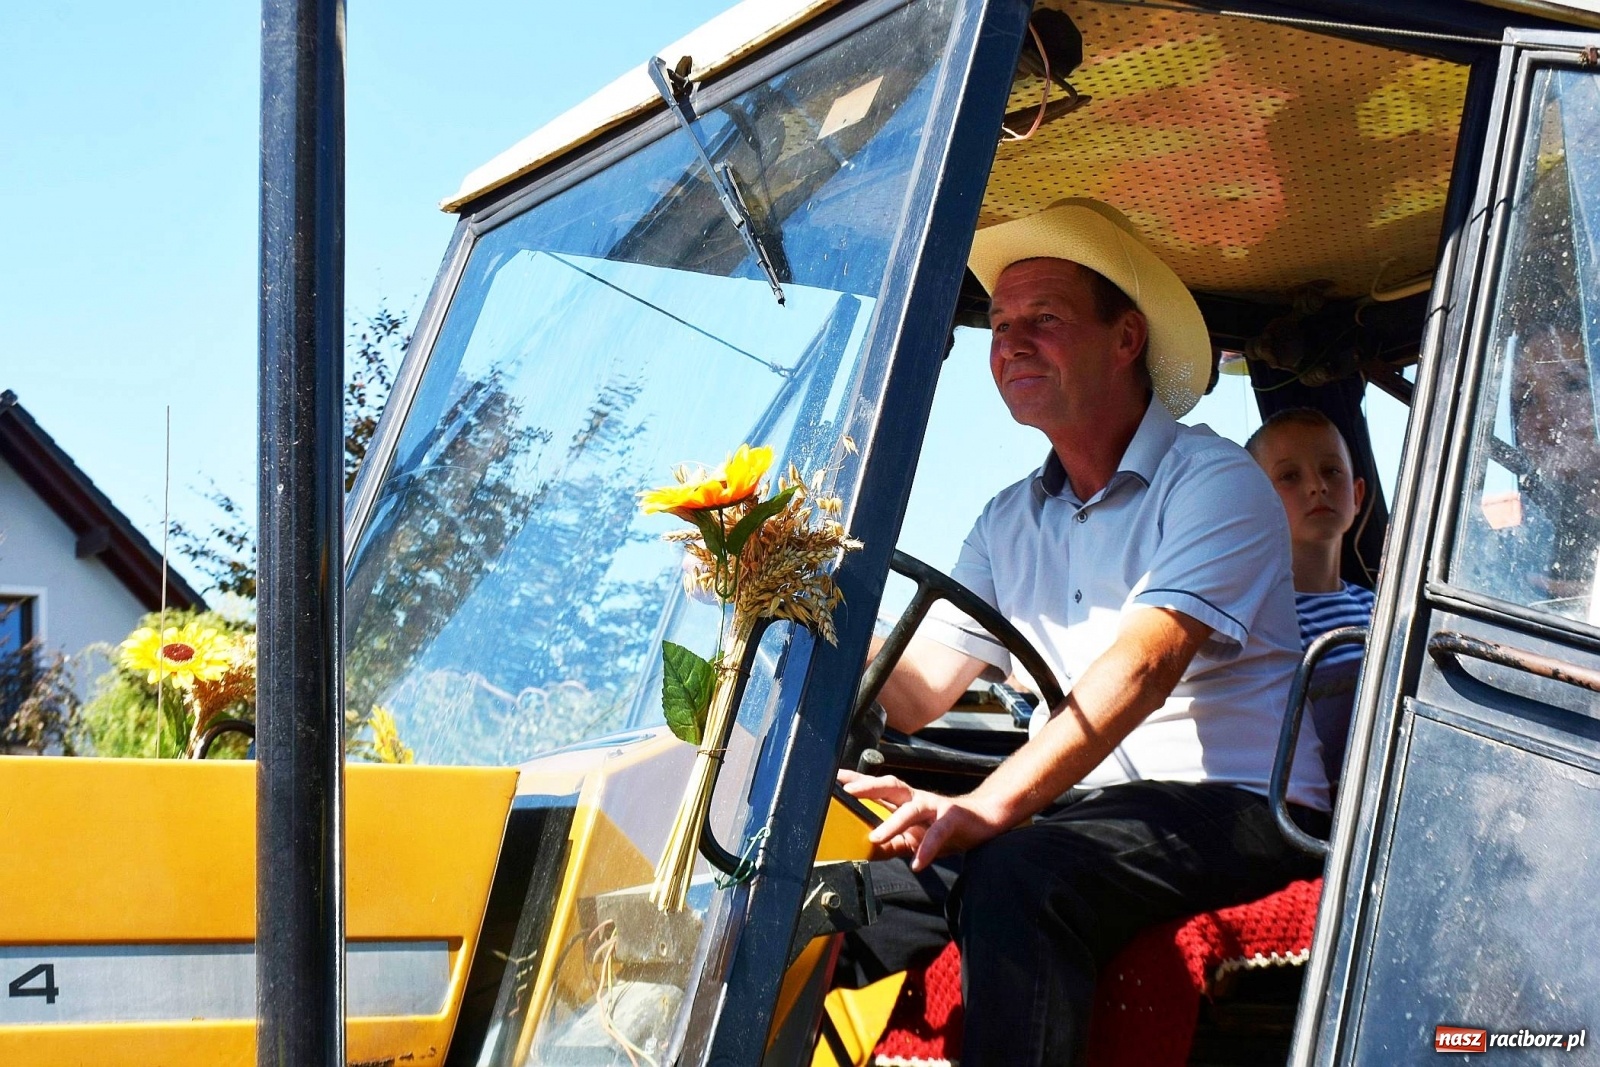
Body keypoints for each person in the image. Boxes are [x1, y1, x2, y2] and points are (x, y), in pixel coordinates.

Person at [836, 199, 1329, 1066]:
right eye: (1000, 322)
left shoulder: (1213, 482)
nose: (1011, 341)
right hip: (1095, 812)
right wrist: (797, 612)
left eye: (1045, 320)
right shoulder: (1005, 521)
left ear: (1127, 338)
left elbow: (1142, 666)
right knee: (841, 904)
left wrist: (988, 805)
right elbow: (913, 693)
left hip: (1245, 807)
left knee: (1021, 875)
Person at [1245, 408, 1375, 787]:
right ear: (1254, 504)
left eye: (1331, 470)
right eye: (1289, 476)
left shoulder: (1381, 611)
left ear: (1357, 495)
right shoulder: (1262, 624)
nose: (1317, 485)